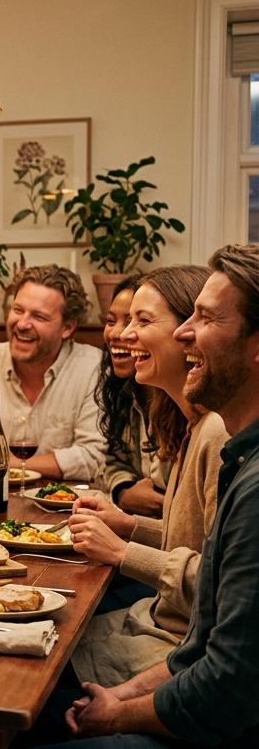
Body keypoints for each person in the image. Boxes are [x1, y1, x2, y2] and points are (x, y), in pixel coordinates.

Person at [49, 245, 259, 747]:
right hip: (171, 655)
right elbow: (204, 637)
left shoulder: (224, 445)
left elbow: (224, 682)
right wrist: (126, 524)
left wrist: (119, 712)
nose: (187, 332)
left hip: (173, 658)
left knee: (25, 689)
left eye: (204, 319)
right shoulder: (230, 447)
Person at [66, 266, 227, 689]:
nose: (124, 334)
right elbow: (198, 543)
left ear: (188, 332)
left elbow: (217, 583)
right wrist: (129, 524)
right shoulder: (189, 423)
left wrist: (121, 551)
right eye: (120, 321)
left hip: (173, 643)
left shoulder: (216, 432)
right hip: (155, 620)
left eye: (142, 321)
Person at [0, 265, 105, 482]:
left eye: (39, 316)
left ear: (67, 327)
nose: (22, 324)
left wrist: (1, 462)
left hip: (66, 509)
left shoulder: (94, 369)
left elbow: (92, 458)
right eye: (18, 310)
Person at [94, 276, 171, 516]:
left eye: (136, 321)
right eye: (110, 321)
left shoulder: (187, 405)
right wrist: (124, 491)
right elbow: (110, 461)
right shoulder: (125, 391)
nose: (118, 333)